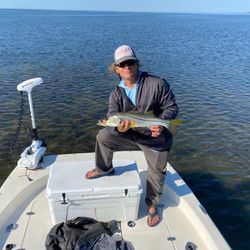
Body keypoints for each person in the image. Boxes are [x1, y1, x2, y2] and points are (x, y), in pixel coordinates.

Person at [85, 45, 179, 227]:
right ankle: (104, 168)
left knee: (157, 174)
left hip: (155, 139)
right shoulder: (115, 94)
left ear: (137, 64)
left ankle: (152, 204)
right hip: (129, 134)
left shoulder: (157, 83)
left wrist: (161, 123)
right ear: (117, 69)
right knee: (103, 135)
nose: (127, 66)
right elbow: (113, 117)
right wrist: (118, 129)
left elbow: (172, 107)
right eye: (122, 64)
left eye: (130, 62)